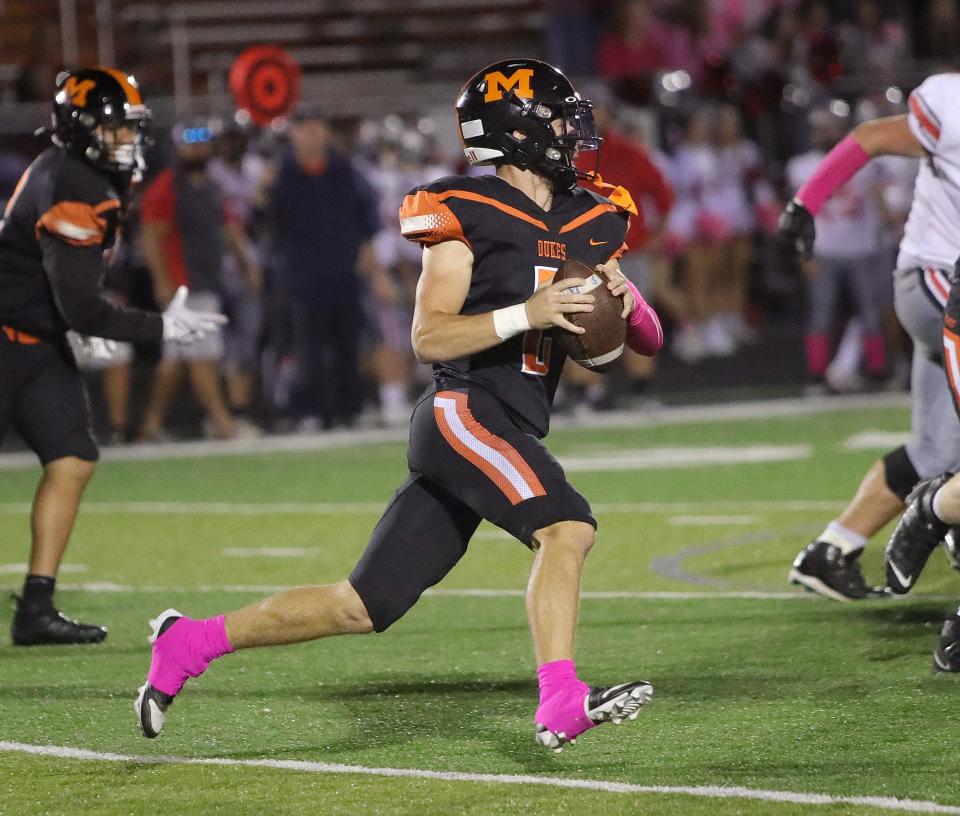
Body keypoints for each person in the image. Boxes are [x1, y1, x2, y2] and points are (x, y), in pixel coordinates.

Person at [134, 59, 663, 750]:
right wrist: (524, 312)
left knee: (360, 606)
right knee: (567, 529)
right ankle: (560, 699)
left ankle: (188, 643)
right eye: (559, 119)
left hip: (508, 422)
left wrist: (630, 302)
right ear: (519, 131)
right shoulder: (464, 211)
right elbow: (428, 335)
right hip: (464, 412)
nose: (572, 131)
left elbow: (646, 339)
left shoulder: (592, 213)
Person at [0, 68, 225, 645]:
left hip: (35, 338)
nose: (126, 140)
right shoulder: (72, 183)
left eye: (129, 129)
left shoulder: (86, 173)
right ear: (81, 129)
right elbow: (81, 308)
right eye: (114, 129)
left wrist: (79, 319)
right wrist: (159, 327)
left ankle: (36, 608)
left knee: (73, 457)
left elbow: (69, 295)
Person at [779, 71, 960, 601]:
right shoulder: (952, 104)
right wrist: (805, 203)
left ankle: (831, 549)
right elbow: (870, 138)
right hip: (939, 282)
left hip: (932, 287)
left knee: (934, 450)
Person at [138, 123, 260, 441]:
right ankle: (222, 423)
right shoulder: (167, 187)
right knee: (203, 354)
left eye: (202, 144)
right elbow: (152, 237)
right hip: (182, 284)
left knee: (176, 359)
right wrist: (162, 282)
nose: (197, 151)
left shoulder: (212, 186)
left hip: (207, 279)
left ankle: (149, 426)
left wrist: (247, 264)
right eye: (190, 145)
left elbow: (227, 229)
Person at [267, 106, 384, 430]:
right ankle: (308, 410)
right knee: (307, 349)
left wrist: (370, 262)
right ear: (293, 134)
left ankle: (350, 409)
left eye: (317, 127)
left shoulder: (345, 170)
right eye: (304, 128)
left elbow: (367, 218)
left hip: (345, 272)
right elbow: (266, 225)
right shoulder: (280, 175)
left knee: (349, 343)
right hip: (302, 277)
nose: (311, 134)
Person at [785, 104, 890, 391]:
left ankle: (877, 372)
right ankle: (816, 376)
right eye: (819, 128)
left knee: (871, 313)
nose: (823, 133)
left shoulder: (864, 161)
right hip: (824, 249)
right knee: (821, 313)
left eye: (829, 126)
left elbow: (878, 202)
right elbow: (799, 213)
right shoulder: (801, 165)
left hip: (863, 248)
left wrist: (886, 231)